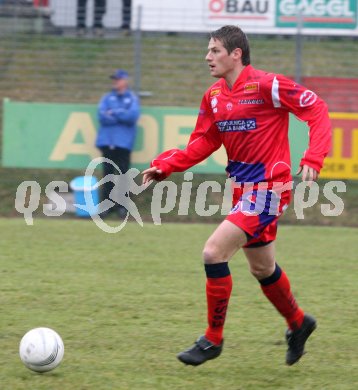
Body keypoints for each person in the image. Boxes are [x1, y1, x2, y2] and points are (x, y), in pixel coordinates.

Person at [142, 25, 331, 366]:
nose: (207, 57)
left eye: (214, 50)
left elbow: (316, 108)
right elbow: (204, 141)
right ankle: (299, 323)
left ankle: (212, 340)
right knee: (262, 267)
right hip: (242, 190)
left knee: (214, 252)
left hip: (271, 188)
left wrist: (314, 157)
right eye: (208, 50)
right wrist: (167, 165)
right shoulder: (214, 95)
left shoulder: (267, 85)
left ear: (236, 54)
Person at [96, 69, 140, 218]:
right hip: (107, 142)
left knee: (123, 175)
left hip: (124, 143)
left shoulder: (132, 98)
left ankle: (122, 206)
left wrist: (114, 112)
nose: (116, 82)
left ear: (125, 81)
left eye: (118, 79)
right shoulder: (107, 97)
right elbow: (102, 116)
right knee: (107, 174)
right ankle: (106, 206)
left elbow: (132, 116)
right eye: (114, 79)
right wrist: (121, 113)